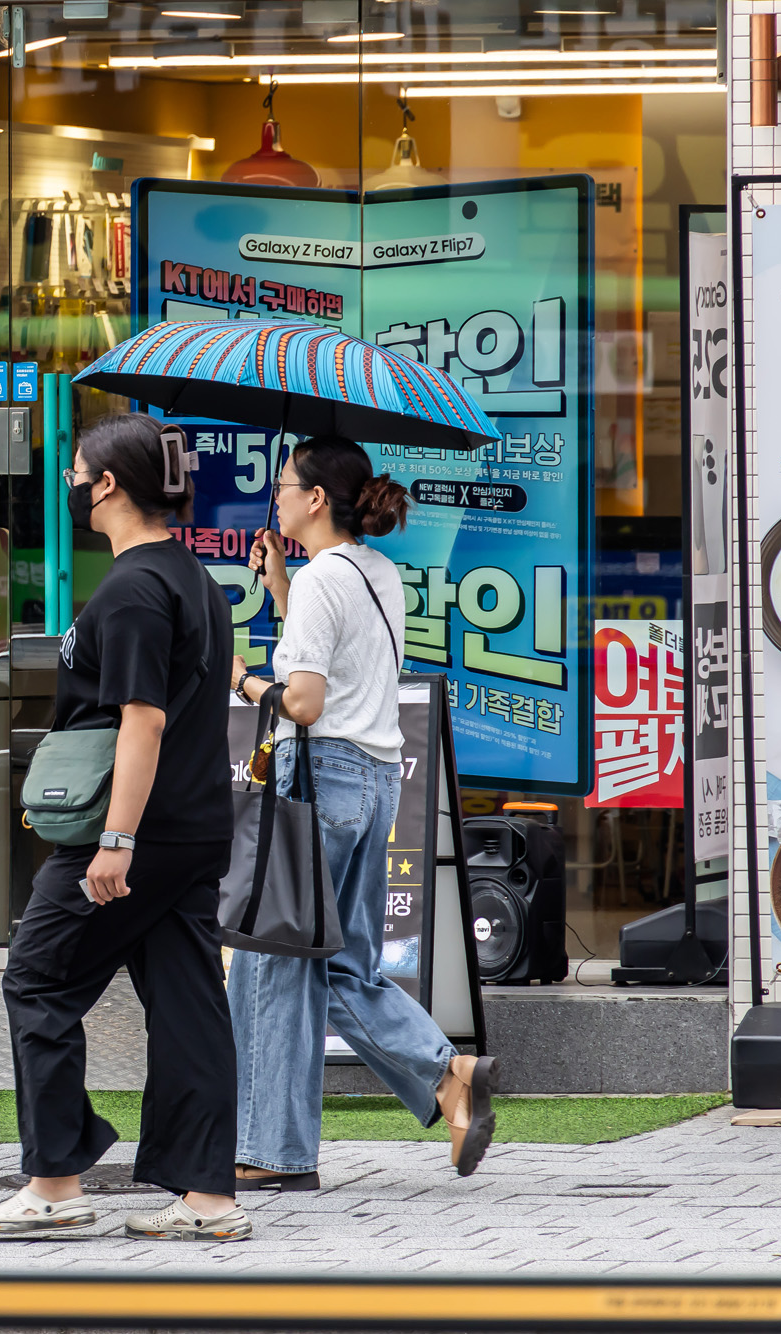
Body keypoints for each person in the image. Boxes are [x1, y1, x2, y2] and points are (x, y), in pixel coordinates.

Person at [0, 413, 248, 1243]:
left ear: (109, 485)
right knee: (191, 1004)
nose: (68, 484)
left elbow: (142, 721)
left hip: (135, 834)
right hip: (196, 828)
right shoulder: (194, 579)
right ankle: (209, 1198)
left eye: (76, 471)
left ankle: (56, 1179)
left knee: (39, 978)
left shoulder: (130, 589)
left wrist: (114, 841)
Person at [228, 435, 499, 1190]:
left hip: (322, 779)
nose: (275, 494)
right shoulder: (375, 573)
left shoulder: (324, 582)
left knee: (275, 960)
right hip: (375, 781)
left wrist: (247, 682)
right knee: (339, 961)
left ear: (316, 499)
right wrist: (282, 589)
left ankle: (272, 1153)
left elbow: (308, 701)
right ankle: (450, 1075)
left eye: (285, 485)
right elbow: (343, 662)